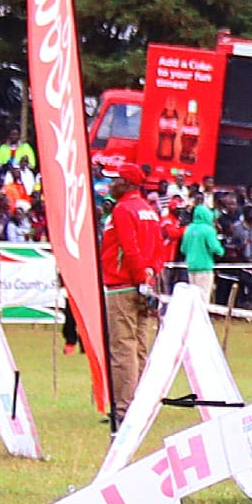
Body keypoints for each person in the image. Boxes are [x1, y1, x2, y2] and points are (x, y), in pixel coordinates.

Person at [99, 164, 163, 430]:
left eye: (115, 180)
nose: (110, 184)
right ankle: (139, 404)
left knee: (122, 348)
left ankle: (125, 409)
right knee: (138, 347)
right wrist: (150, 279)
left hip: (124, 285)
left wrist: (138, 279)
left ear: (126, 184)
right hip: (143, 283)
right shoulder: (150, 211)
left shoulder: (123, 210)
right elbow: (159, 250)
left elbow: (130, 247)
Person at [181, 201, 225, 303]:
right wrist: (222, 251)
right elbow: (215, 248)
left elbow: (183, 249)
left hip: (191, 266)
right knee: (203, 295)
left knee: (193, 296)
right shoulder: (208, 230)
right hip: (205, 267)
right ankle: (202, 317)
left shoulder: (188, 229)